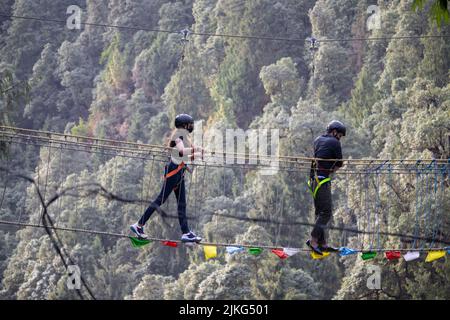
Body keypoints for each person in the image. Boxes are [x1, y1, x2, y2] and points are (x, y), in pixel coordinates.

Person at [130, 114, 204, 242]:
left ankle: (186, 232)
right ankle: (139, 225)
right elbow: (181, 151)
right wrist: (196, 151)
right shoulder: (177, 136)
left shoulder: (184, 137)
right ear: (184, 125)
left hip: (179, 173)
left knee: (182, 204)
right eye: (190, 124)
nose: (191, 127)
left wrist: (198, 154)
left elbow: (183, 157)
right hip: (173, 173)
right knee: (160, 200)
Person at [306, 120, 346, 255]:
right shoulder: (335, 142)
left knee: (319, 213)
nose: (339, 137)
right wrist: (331, 171)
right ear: (334, 132)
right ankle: (313, 240)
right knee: (326, 213)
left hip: (313, 180)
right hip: (322, 180)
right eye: (339, 135)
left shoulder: (317, 140)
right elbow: (339, 163)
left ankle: (322, 243)